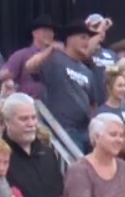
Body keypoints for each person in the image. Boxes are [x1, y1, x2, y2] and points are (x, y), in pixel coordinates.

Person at [1, 93, 64, 197]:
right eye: (24, 119)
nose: (31, 124)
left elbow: (60, 193)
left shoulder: (48, 152)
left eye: (33, 117)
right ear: (7, 121)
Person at [39, 20, 99, 152]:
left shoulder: (87, 71)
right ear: (70, 39)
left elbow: (93, 103)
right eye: (83, 37)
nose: (87, 42)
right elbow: (29, 68)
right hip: (63, 128)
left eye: (89, 38)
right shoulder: (55, 60)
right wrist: (49, 50)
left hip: (85, 130)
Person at [0, 14, 56, 99]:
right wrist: (6, 76)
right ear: (34, 33)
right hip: (29, 104)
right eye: (45, 30)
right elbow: (2, 75)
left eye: (51, 31)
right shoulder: (22, 54)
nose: (49, 34)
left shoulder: (57, 56)